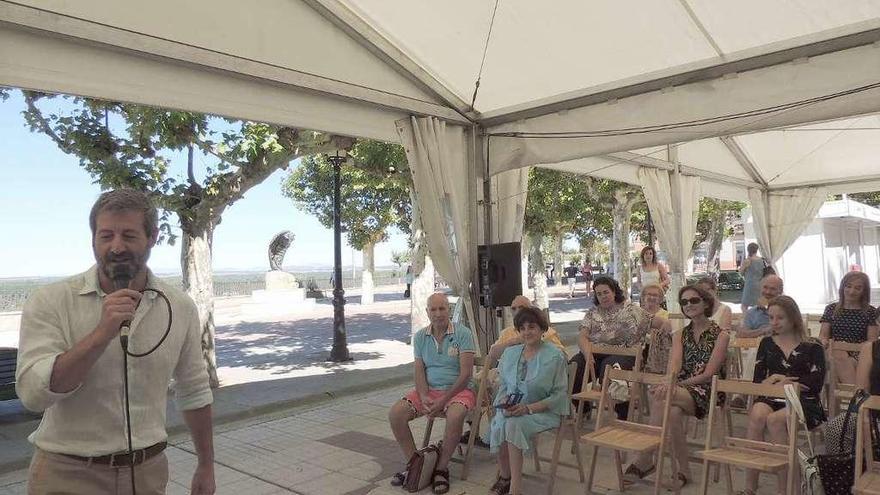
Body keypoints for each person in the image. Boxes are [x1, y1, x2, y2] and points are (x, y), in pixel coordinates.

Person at [15, 189, 215, 495]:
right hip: (66, 475)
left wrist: (206, 464)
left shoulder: (179, 306)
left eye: (129, 235)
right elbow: (33, 395)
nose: (116, 247)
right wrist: (101, 334)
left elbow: (194, 389)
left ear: (152, 238)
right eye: (106, 236)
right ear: (93, 238)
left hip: (147, 474)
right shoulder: (51, 301)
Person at [626, 285, 730, 489]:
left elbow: (709, 374)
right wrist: (669, 382)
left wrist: (674, 385)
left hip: (709, 389)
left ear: (706, 303)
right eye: (684, 302)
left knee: (660, 397)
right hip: (681, 389)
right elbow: (674, 367)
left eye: (694, 300)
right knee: (671, 412)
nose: (688, 305)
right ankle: (684, 471)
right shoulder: (680, 334)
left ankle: (645, 458)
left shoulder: (721, 335)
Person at [388, 293, 475, 494]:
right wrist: (425, 395)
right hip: (430, 390)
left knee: (455, 415)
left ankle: (441, 469)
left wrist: (443, 399)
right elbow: (419, 371)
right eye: (433, 309)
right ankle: (415, 465)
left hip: (459, 390)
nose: (438, 314)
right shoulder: (420, 337)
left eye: (442, 308)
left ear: (449, 310)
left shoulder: (463, 334)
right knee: (396, 414)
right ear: (427, 312)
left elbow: (466, 374)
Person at [741, 295, 826, 495]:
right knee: (757, 413)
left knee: (775, 420)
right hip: (773, 395)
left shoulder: (813, 346)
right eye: (771, 318)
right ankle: (750, 487)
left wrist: (787, 382)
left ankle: (787, 489)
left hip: (803, 400)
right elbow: (758, 381)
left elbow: (816, 383)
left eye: (780, 318)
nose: (774, 322)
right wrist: (771, 382)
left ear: (793, 318)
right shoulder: (767, 343)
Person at [487, 307, 569, 495]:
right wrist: (505, 403)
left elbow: (559, 396)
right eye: (522, 328)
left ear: (542, 329)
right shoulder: (511, 353)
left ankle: (515, 488)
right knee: (500, 419)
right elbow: (505, 387)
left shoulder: (555, 355)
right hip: (516, 409)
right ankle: (506, 476)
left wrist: (528, 408)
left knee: (512, 424)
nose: (526, 332)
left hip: (545, 411)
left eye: (531, 327)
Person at [574, 276, 667, 419]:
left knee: (610, 368)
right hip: (596, 353)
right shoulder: (592, 313)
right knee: (573, 366)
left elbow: (659, 322)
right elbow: (582, 337)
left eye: (606, 292)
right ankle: (583, 408)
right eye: (599, 294)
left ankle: (622, 415)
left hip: (626, 354)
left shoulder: (631, 310)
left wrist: (677, 332)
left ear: (614, 291)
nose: (603, 296)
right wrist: (587, 354)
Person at [730, 274, 784, 408]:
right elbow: (742, 334)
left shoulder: (786, 311)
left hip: (780, 354)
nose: (767, 292)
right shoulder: (752, 312)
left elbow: (790, 332)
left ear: (780, 292)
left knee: (761, 345)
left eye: (772, 289)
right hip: (755, 352)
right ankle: (748, 393)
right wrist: (763, 331)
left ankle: (742, 393)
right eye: (765, 287)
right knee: (760, 345)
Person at [819, 271, 879, 386]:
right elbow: (823, 336)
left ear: (864, 291)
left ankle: (844, 399)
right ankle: (858, 396)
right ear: (842, 287)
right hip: (834, 351)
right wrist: (824, 342)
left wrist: (850, 347)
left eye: (857, 288)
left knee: (840, 362)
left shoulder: (870, 311)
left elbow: (872, 341)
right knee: (838, 353)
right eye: (848, 286)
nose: (851, 291)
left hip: (860, 354)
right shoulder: (831, 308)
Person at [640, 283, 674, 374]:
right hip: (637, 348)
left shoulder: (666, 315)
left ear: (661, 299)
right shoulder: (637, 313)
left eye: (655, 295)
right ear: (643, 297)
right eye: (649, 294)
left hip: (655, 350)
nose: (652, 297)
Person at [739, 243, 765, 313]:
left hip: (749, 284)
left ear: (748, 250)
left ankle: (747, 319)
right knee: (758, 304)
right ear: (756, 250)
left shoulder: (747, 261)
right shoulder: (761, 260)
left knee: (744, 306)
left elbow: (741, 272)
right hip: (759, 284)